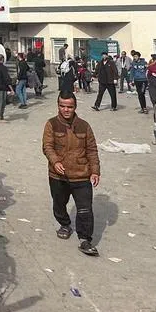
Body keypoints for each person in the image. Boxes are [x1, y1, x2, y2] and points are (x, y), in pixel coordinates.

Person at [42, 92, 101, 256]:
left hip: (81, 174)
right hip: (58, 175)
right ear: (58, 106)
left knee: (85, 209)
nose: (66, 110)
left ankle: (85, 239)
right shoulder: (51, 124)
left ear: (75, 107)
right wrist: (56, 162)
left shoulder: (84, 126)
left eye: (69, 106)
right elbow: (47, 146)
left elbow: (92, 150)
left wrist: (95, 171)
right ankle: (65, 224)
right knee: (59, 203)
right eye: (62, 106)